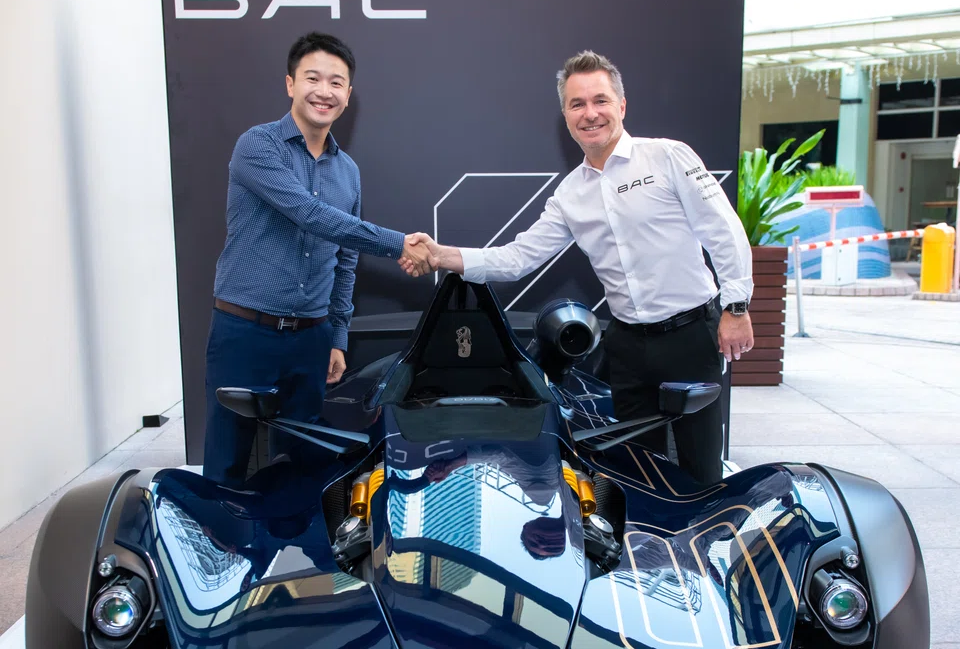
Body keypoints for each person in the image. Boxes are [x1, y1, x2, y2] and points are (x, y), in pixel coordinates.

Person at [402, 50, 754, 485]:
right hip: (627, 347)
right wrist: (440, 255)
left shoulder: (667, 157)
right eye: (577, 104)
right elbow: (517, 257)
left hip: (691, 337)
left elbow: (724, 231)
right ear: (566, 116)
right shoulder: (570, 194)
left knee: (701, 473)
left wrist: (736, 308)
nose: (590, 114)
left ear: (621, 106)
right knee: (636, 475)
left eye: (600, 101)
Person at [204, 31, 432, 486]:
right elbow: (310, 216)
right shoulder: (257, 146)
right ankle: (219, 551)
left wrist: (337, 335)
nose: (323, 91)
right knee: (227, 462)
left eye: (336, 82)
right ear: (290, 83)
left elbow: (345, 260)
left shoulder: (348, 171)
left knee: (302, 465)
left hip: (310, 339)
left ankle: (298, 557)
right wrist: (398, 244)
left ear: (348, 95)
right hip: (246, 332)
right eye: (312, 78)